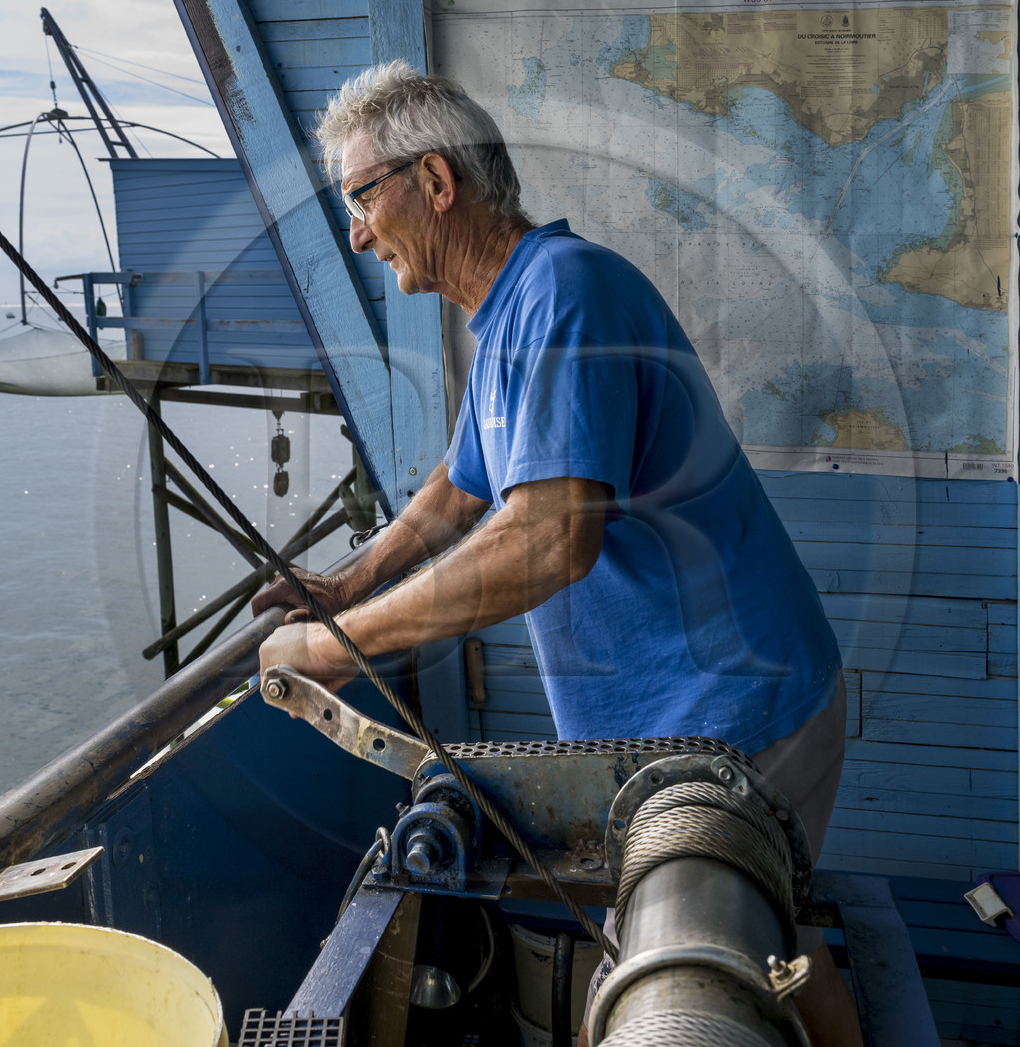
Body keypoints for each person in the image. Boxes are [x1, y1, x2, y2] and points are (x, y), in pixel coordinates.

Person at [254, 61, 860, 1045]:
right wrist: (344, 584)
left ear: (436, 184)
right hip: (685, 722)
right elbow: (460, 487)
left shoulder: (562, 296)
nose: (356, 231)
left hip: (735, 717)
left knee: (701, 978)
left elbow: (547, 538)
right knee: (770, 949)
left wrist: (330, 651)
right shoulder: (506, 315)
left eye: (362, 198)